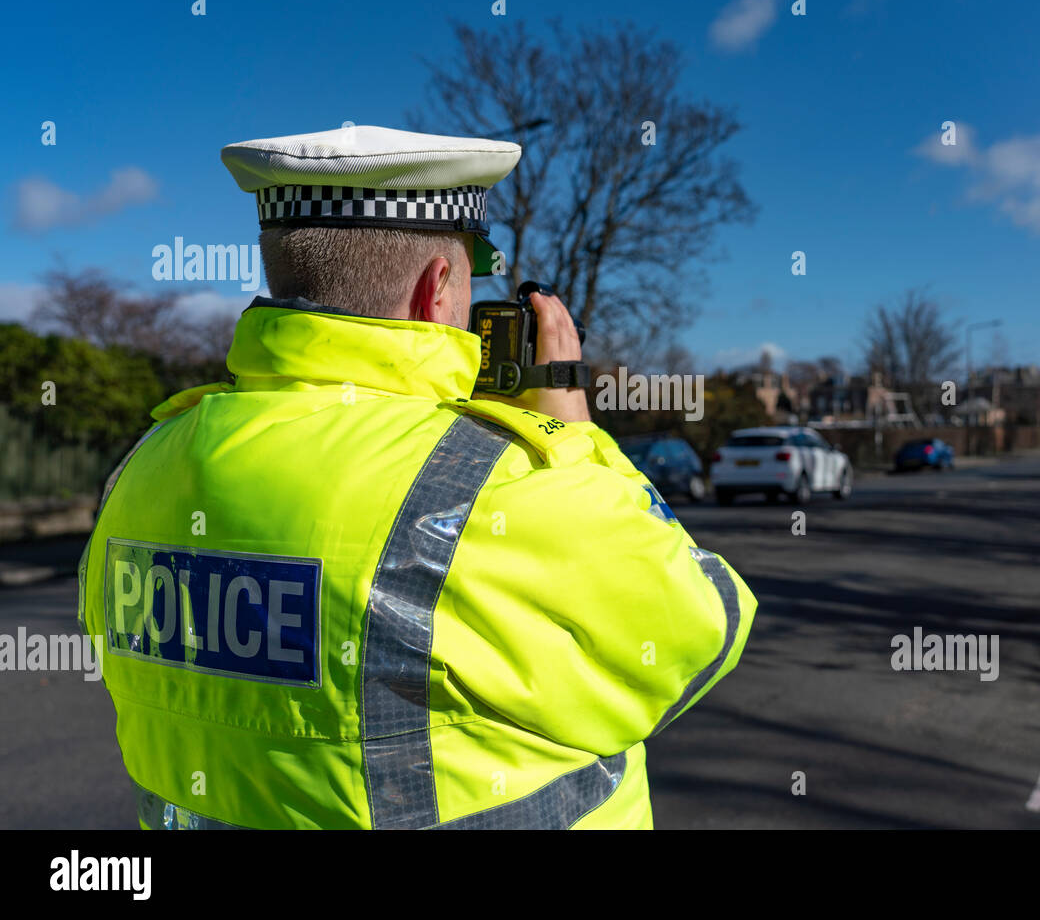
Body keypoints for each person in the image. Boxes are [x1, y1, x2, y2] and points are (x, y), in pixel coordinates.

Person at [77, 125, 757, 829]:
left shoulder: (143, 464)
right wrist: (572, 434)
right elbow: (707, 619)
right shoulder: (496, 483)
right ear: (437, 291)